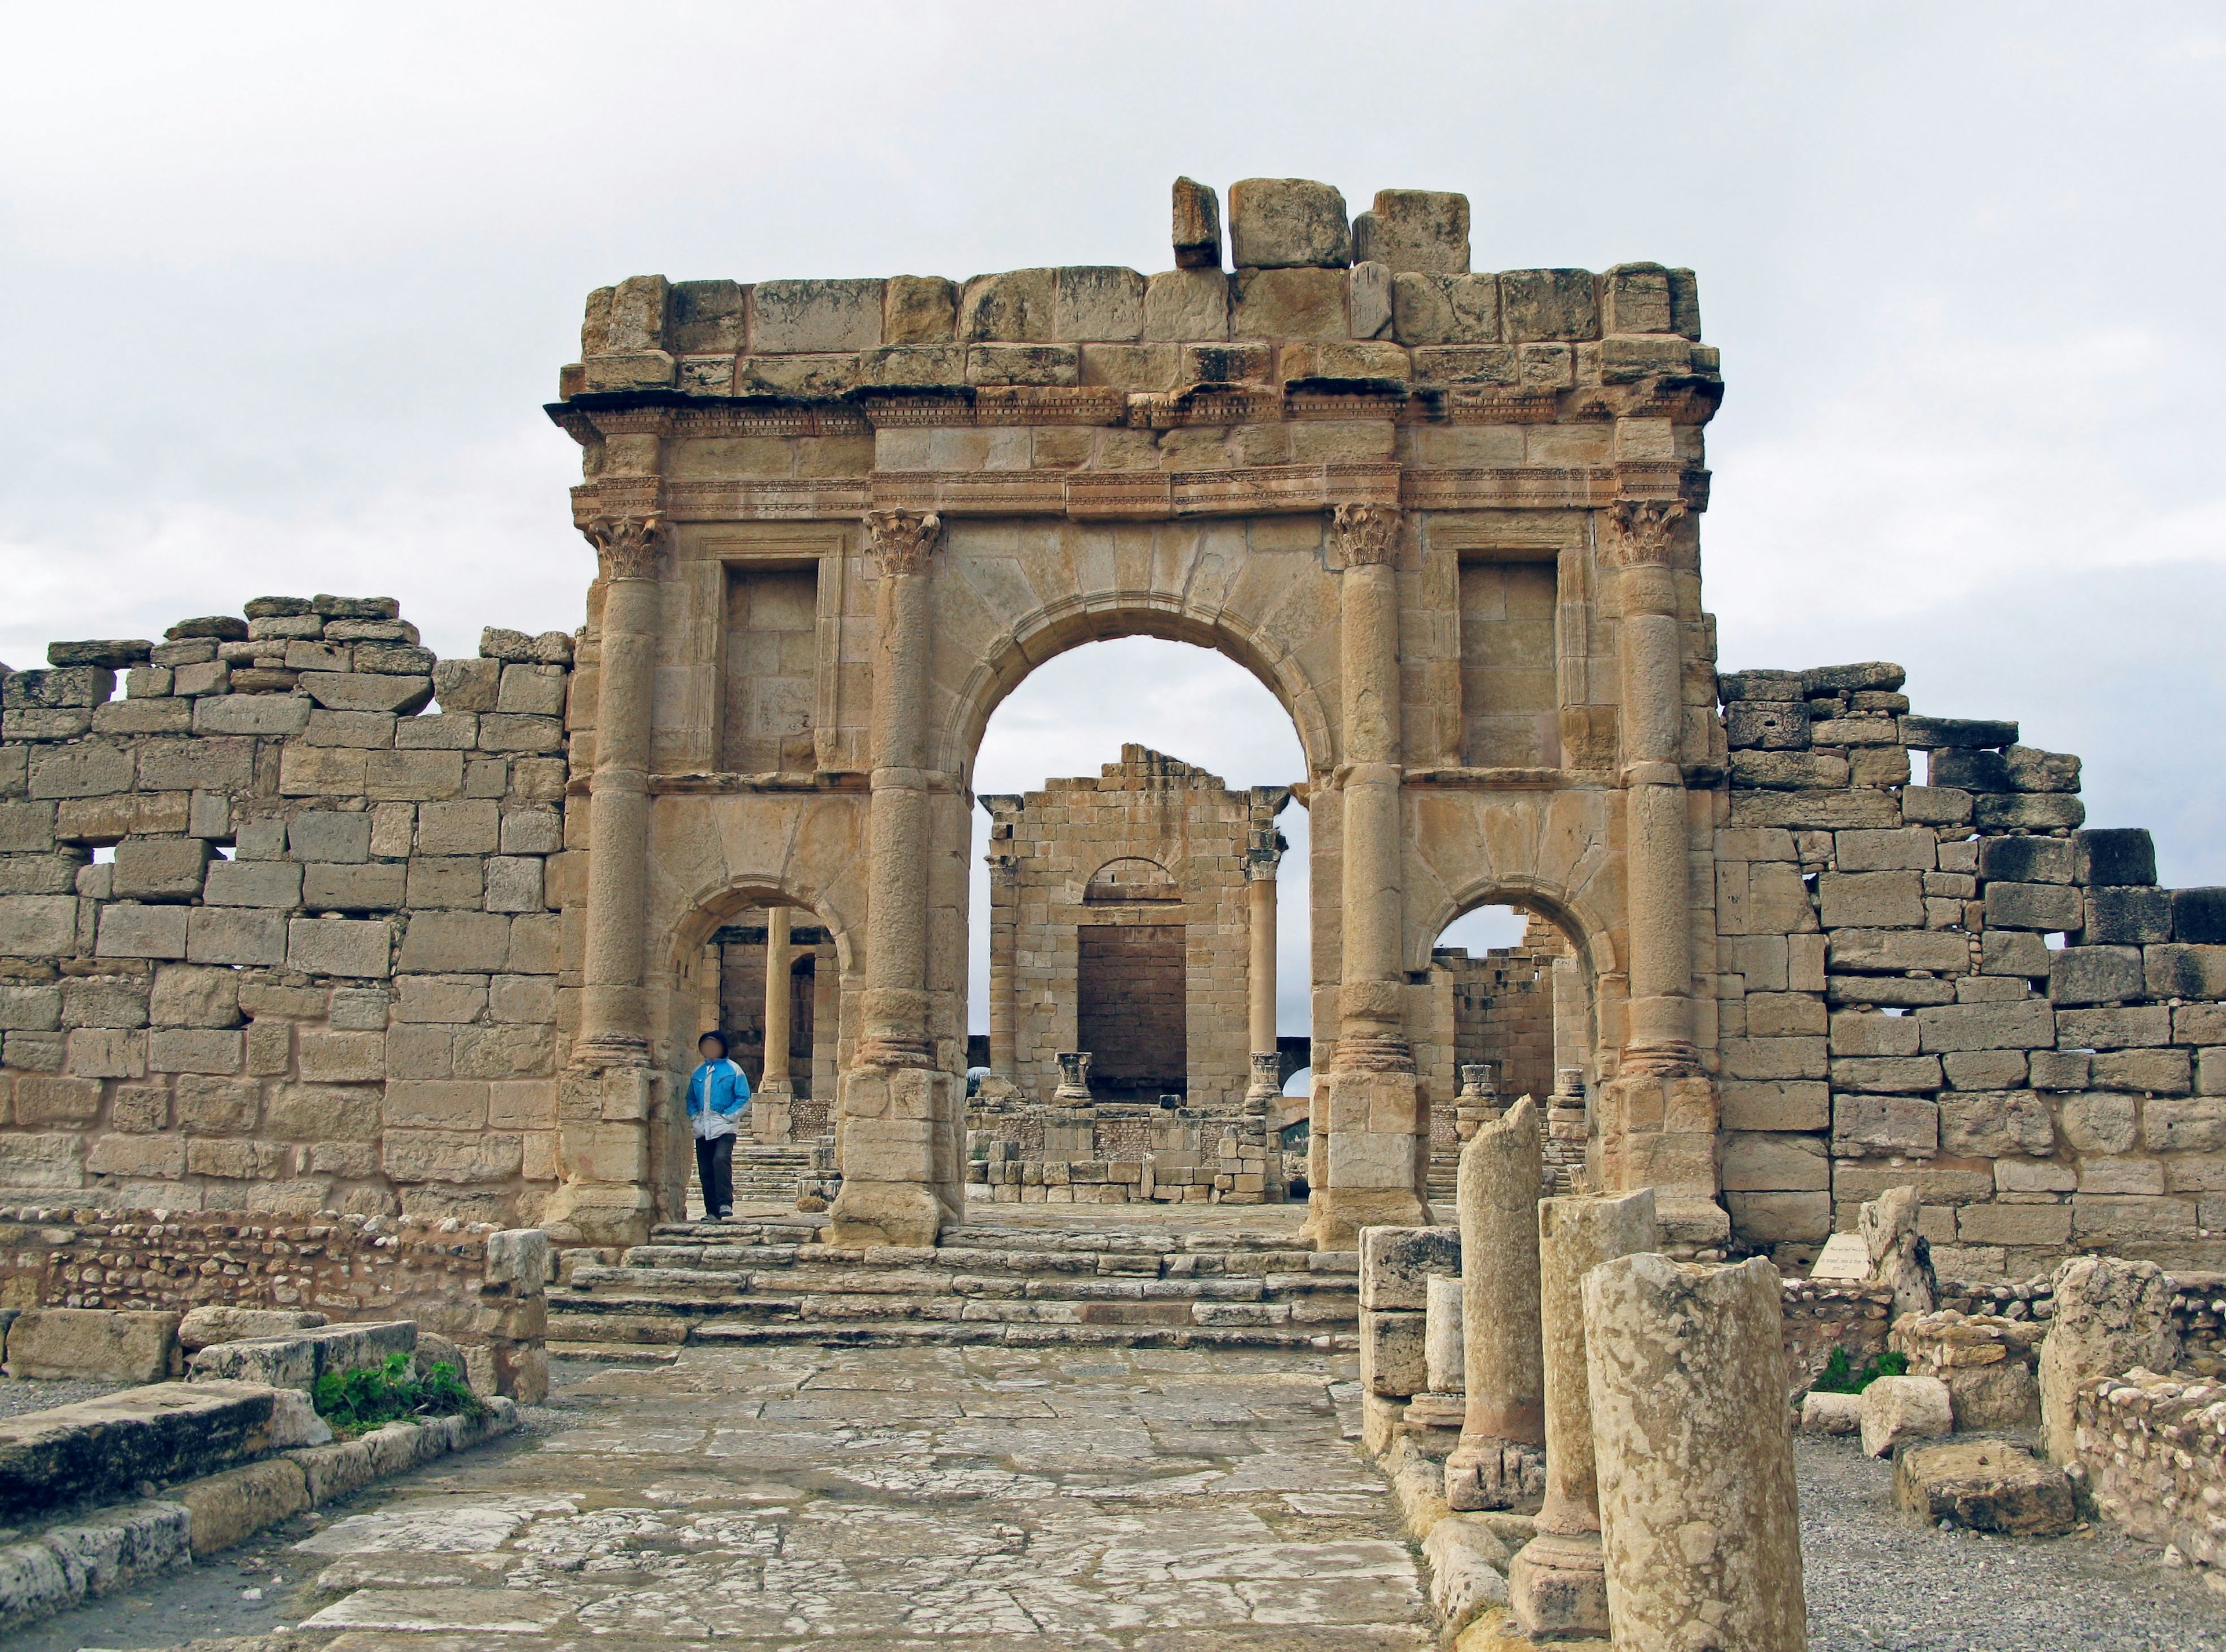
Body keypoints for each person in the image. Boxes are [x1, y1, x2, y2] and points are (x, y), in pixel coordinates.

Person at [686, 1030, 750, 1220]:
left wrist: (729, 1116)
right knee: (705, 1169)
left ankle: (725, 1202)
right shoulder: (698, 1072)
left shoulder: (734, 1070)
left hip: (724, 1128)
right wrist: (694, 1116)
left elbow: (744, 1097)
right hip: (702, 1128)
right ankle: (711, 1211)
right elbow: (690, 1098)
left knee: (720, 1160)